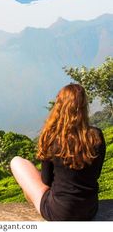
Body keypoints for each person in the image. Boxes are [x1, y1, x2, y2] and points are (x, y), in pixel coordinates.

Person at [10, 84, 106, 221]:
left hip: (59, 213)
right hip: (89, 211)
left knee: (17, 162)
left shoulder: (53, 137)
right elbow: (95, 174)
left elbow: (46, 181)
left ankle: (37, 205)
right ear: (84, 107)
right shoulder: (97, 135)